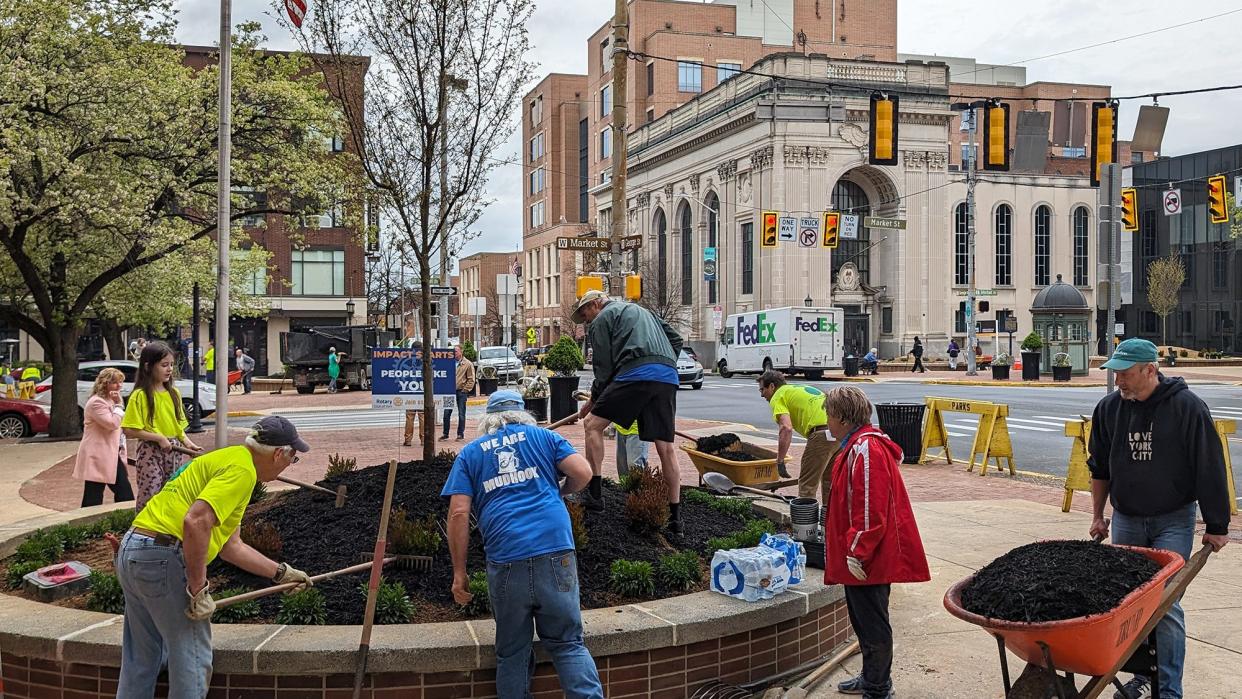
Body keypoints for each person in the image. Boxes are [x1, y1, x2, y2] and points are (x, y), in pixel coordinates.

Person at [116, 416, 314, 697]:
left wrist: (281, 572)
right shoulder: (242, 471)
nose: (289, 465)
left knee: (142, 659)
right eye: (292, 458)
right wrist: (198, 589)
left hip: (135, 549)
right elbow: (195, 522)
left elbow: (231, 546)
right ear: (279, 453)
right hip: (164, 557)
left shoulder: (229, 458)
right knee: (192, 661)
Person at [1087, 338, 1230, 699]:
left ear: (1150, 370)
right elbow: (1099, 468)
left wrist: (1217, 525)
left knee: (1165, 603)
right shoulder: (1109, 409)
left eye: (1125, 374)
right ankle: (1141, 676)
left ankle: (1168, 690)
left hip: (1173, 519)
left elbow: (1208, 466)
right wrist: (1098, 515)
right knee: (1129, 604)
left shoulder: (1186, 408)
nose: (1118, 381)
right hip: (1128, 519)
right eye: (1115, 374)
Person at [441, 391, 603, 698]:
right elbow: (583, 472)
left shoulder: (471, 453)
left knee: (512, 651)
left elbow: (459, 512)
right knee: (568, 644)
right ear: (523, 414)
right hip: (555, 551)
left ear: (487, 419)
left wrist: (459, 572)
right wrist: (561, 491)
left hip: (506, 558)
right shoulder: (545, 438)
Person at [822, 386, 930, 699]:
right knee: (866, 621)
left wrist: (858, 550)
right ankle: (872, 678)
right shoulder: (859, 445)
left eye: (829, 415)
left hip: (868, 558)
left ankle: (878, 687)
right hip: (866, 556)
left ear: (842, 417)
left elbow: (870, 505)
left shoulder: (865, 449)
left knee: (872, 624)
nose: (827, 422)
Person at [571, 289, 685, 533]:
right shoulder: (646, 312)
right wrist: (662, 362)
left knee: (592, 424)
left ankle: (595, 494)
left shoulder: (602, 319)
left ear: (596, 304)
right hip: (667, 376)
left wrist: (593, 400)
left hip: (634, 373)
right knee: (665, 447)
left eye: (585, 313)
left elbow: (603, 367)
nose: (586, 320)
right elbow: (676, 340)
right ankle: (676, 520)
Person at [122, 341, 202, 511]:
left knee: (172, 494)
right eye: (164, 365)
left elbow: (178, 428)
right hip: (150, 451)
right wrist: (158, 438)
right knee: (150, 495)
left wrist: (188, 444)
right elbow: (129, 430)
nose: (169, 369)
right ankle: (143, 533)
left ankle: (166, 533)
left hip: (175, 451)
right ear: (148, 366)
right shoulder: (140, 395)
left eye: (171, 365)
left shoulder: (174, 394)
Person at [757, 370, 838, 503]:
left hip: (820, 434)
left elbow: (786, 428)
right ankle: (828, 521)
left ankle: (805, 523)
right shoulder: (798, 389)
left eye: (762, 390)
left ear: (772, 386)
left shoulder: (778, 395)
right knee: (830, 483)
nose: (762, 395)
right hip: (838, 433)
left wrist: (780, 460)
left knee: (807, 486)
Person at [72, 368, 135, 507]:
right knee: (102, 493)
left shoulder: (109, 401)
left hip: (109, 454)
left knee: (98, 493)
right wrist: (119, 405)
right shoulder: (97, 402)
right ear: (104, 383)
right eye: (114, 382)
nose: (119, 386)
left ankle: (94, 521)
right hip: (98, 455)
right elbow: (112, 423)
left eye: (120, 382)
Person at [441, 345, 476, 441]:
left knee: (461, 413)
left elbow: (471, 379)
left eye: (456, 351)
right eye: (453, 351)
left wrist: (465, 390)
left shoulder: (467, 364)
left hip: (461, 391)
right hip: (449, 391)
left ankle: (460, 434)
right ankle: (445, 433)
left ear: (461, 352)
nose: (454, 353)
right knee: (446, 413)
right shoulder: (449, 363)